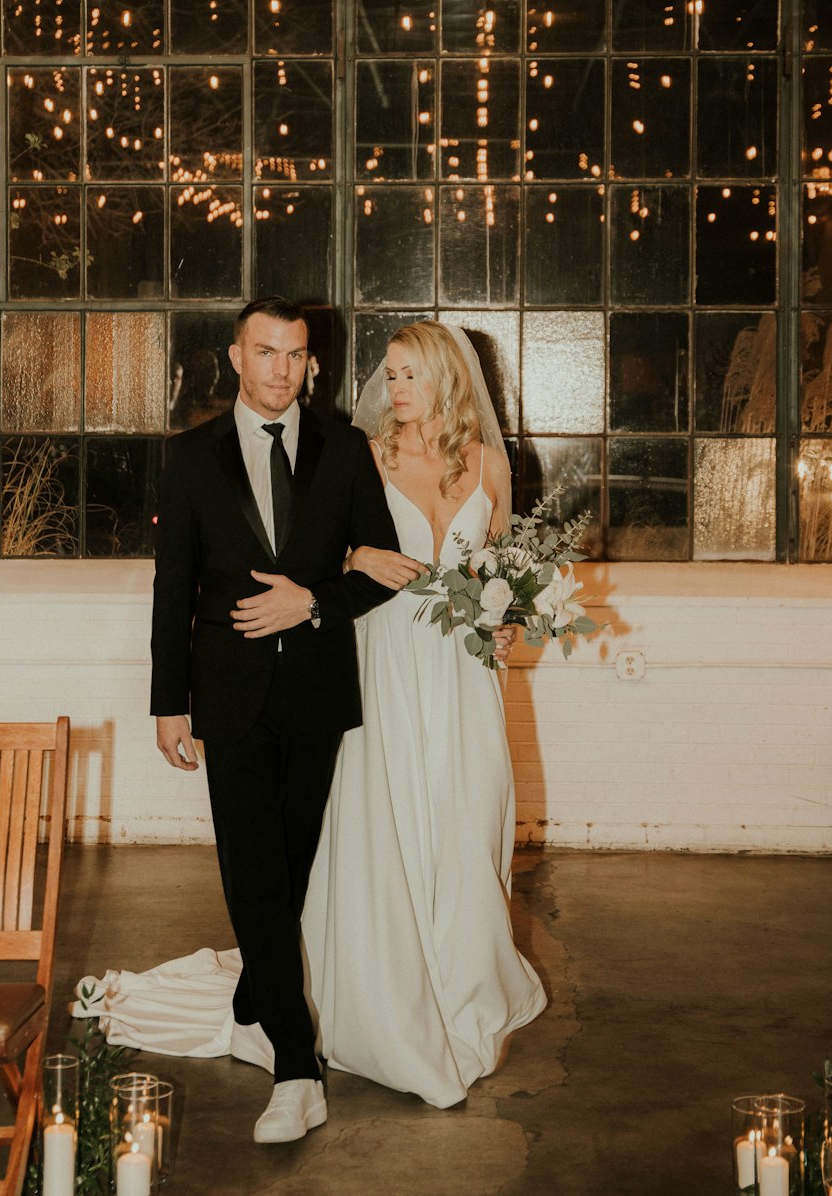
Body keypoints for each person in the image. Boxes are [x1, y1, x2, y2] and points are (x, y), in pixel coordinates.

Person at [149, 295, 399, 1144]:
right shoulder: (190, 458)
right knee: (250, 867)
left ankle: (257, 996)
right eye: (265, 352)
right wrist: (167, 701)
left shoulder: (347, 451)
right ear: (235, 355)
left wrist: (313, 604)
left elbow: (381, 569)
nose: (280, 370)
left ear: (310, 364)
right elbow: (172, 588)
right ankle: (299, 1067)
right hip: (228, 694)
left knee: (287, 866)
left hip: (318, 692)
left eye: (295, 355)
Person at [300, 319, 548, 1108]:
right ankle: (386, 989)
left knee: (467, 816)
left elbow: (502, 568)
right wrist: (355, 556)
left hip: (465, 670)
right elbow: (313, 555)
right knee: (392, 816)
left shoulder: (486, 466)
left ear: (446, 379)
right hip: (386, 658)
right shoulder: (365, 456)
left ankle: (466, 975)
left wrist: (511, 616)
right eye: (389, 374)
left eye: (407, 374)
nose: (392, 388)